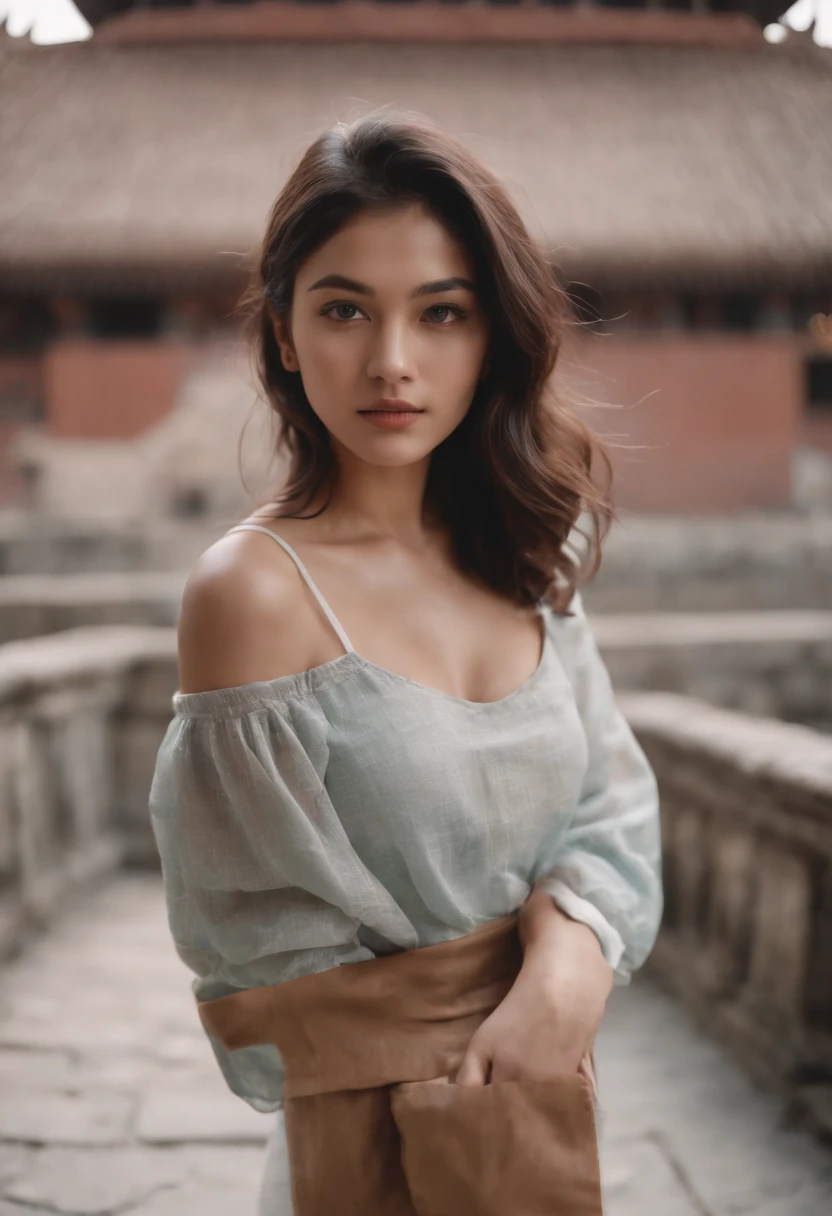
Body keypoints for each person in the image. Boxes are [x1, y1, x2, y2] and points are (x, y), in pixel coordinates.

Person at [149, 110, 663, 1216]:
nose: (392, 362)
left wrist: (563, 974)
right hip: (368, 1134)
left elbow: (611, 804)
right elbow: (263, 947)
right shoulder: (253, 593)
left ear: (492, 336)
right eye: (344, 309)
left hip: (541, 1098)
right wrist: (479, 1037)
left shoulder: (528, 548)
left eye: (441, 312)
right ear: (284, 332)